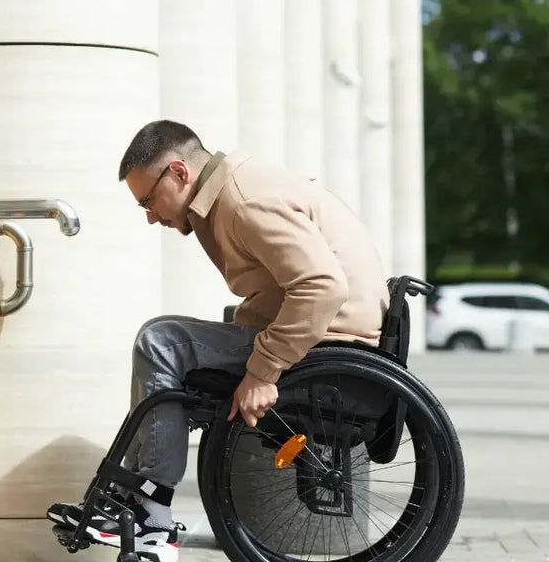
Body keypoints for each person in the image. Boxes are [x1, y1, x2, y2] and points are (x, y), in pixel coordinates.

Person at [47, 120, 390, 560]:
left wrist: (263, 371)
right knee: (169, 341)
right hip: (327, 332)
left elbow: (322, 286)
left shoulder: (244, 200)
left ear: (179, 172)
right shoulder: (235, 188)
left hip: (331, 342)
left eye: (148, 201)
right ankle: (135, 497)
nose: (151, 217)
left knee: (162, 342)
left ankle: (151, 509)